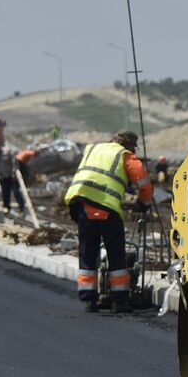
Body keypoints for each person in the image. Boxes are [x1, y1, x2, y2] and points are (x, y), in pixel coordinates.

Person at [64, 129, 153, 313]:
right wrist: (143, 203)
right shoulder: (126, 156)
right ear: (129, 145)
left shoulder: (93, 149)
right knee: (116, 253)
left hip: (80, 204)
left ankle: (89, 299)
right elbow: (144, 183)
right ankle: (119, 301)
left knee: (88, 251)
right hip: (105, 207)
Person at [0, 134, 27, 214]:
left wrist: (14, 173)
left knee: (16, 192)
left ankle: (22, 208)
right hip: (2, 178)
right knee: (5, 196)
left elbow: (14, 163)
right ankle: (7, 211)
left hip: (11, 176)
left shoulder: (7, 152)